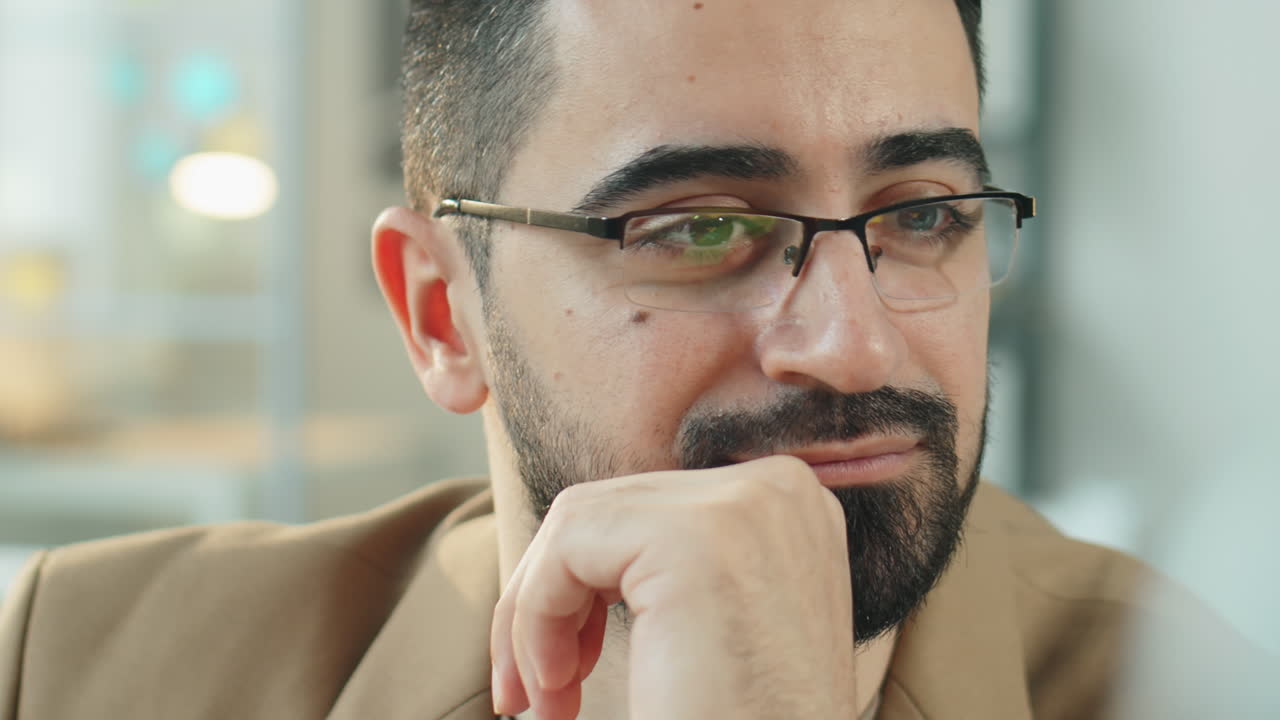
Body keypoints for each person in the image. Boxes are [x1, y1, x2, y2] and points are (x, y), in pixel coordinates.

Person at [1, 1, 1272, 718]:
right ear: (441, 312)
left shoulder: (1191, 689)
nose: (852, 340)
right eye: (700, 228)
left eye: (921, 213)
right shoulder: (77, 665)